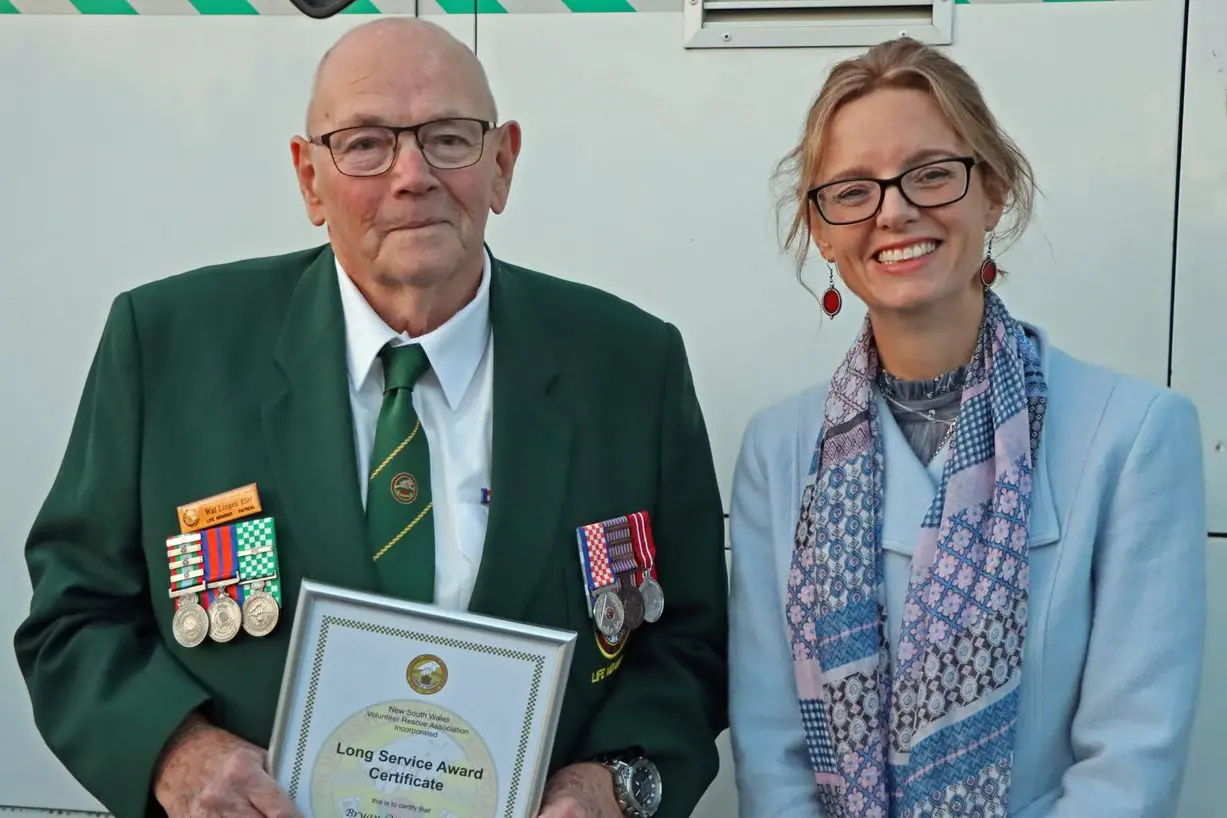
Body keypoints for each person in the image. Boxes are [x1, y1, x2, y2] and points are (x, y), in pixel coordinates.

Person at [13, 18, 728, 818]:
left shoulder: (630, 365)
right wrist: (176, 754)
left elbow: (689, 643)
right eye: (364, 144)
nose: (412, 175)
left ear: (503, 164)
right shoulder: (169, 347)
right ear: (308, 179)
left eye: (450, 138)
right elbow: (75, 621)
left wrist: (612, 784)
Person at [727, 36, 1206, 818]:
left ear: (995, 191)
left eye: (931, 173)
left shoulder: (1133, 436)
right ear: (820, 230)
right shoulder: (779, 450)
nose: (893, 210)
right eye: (851, 190)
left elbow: (1129, 764)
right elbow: (773, 749)